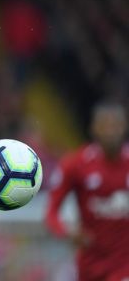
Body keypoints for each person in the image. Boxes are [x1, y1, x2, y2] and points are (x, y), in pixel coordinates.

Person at [46, 102, 129, 281]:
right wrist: (67, 231)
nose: (111, 131)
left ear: (124, 127)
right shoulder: (76, 164)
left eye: (116, 125)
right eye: (105, 125)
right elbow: (51, 212)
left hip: (124, 264)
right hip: (89, 265)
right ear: (94, 129)